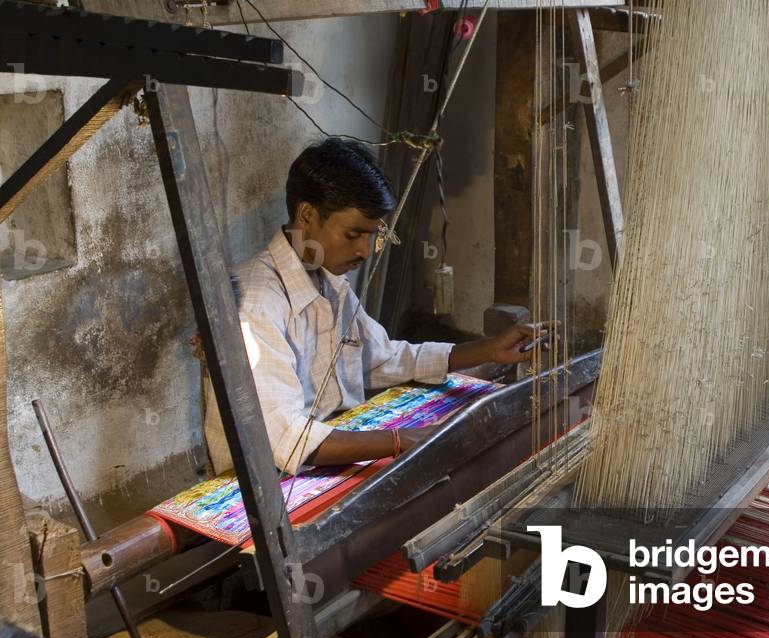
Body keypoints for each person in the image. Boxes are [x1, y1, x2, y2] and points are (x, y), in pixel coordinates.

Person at [204, 138, 553, 475]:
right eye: (354, 235)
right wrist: (402, 440)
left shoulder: (325, 278)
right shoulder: (254, 304)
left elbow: (383, 358)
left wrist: (489, 350)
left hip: (326, 453)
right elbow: (288, 440)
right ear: (307, 215)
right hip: (267, 485)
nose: (366, 251)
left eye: (374, 234)